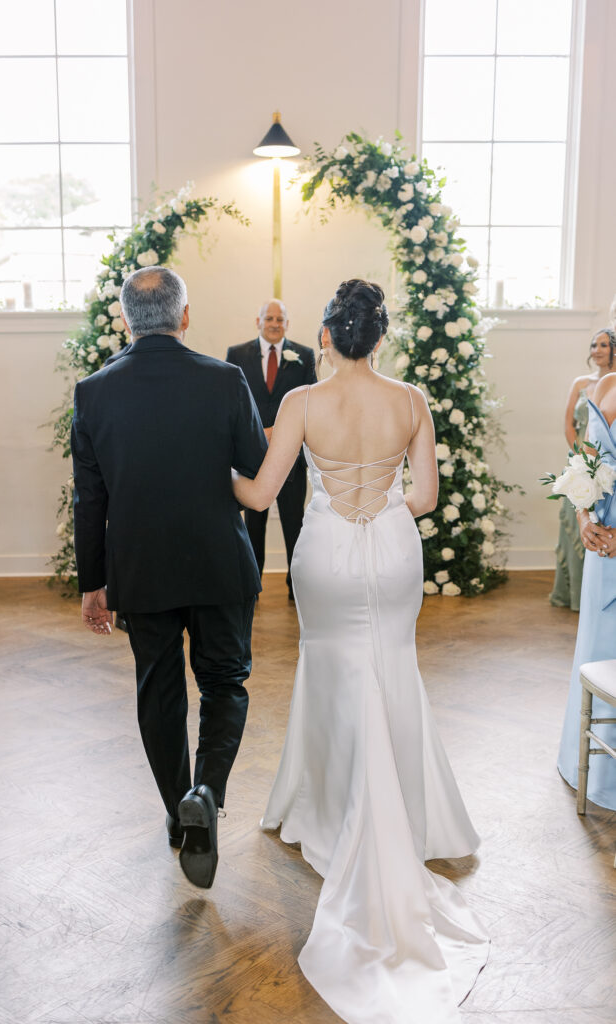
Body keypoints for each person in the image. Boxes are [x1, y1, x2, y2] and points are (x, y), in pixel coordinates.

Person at [232, 280, 489, 1024]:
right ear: (379, 337)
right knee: (391, 666)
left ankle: (327, 805)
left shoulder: (301, 402)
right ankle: (404, 814)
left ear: (325, 336)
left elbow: (259, 497)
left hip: (326, 556)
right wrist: (378, 509)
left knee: (331, 667)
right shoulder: (410, 399)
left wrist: (211, 471)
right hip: (390, 548)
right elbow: (427, 495)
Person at [71, 267, 267, 889]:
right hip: (217, 563)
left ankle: (179, 814)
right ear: (185, 317)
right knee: (225, 682)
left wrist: (93, 583)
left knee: (158, 690)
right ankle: (206, 793)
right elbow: (257, 468)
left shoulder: (94, 391)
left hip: (141, 568)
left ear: (124, 319)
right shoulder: (226, 379)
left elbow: (89, 500)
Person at [226, 300, 316, 599]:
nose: (274, 323)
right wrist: (256, 434)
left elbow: (309, 405)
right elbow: (233, 404)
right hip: (251, 458)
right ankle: (250, 586)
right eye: (269, 318)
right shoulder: (236, 354)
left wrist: (284, 434)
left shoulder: (304, 355)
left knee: (295, 525)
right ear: (258, 321)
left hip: (292, 459)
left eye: (280, 318)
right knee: (252, 527)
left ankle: (297, 587)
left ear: (287, 323)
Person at [557, 369, 616, 810]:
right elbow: (585, 462)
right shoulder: (607, 383)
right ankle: (587, 764)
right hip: (601, 545)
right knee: (598, 652)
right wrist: (584, 518)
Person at [550, 328, 616, 610]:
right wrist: (581, 459)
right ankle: (575, 595)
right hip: (583, 460)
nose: (597, 350)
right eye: (593, 344)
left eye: (603, 344)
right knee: (576, 523)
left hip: (607, 463)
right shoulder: (581, 383)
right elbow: (568, 423)